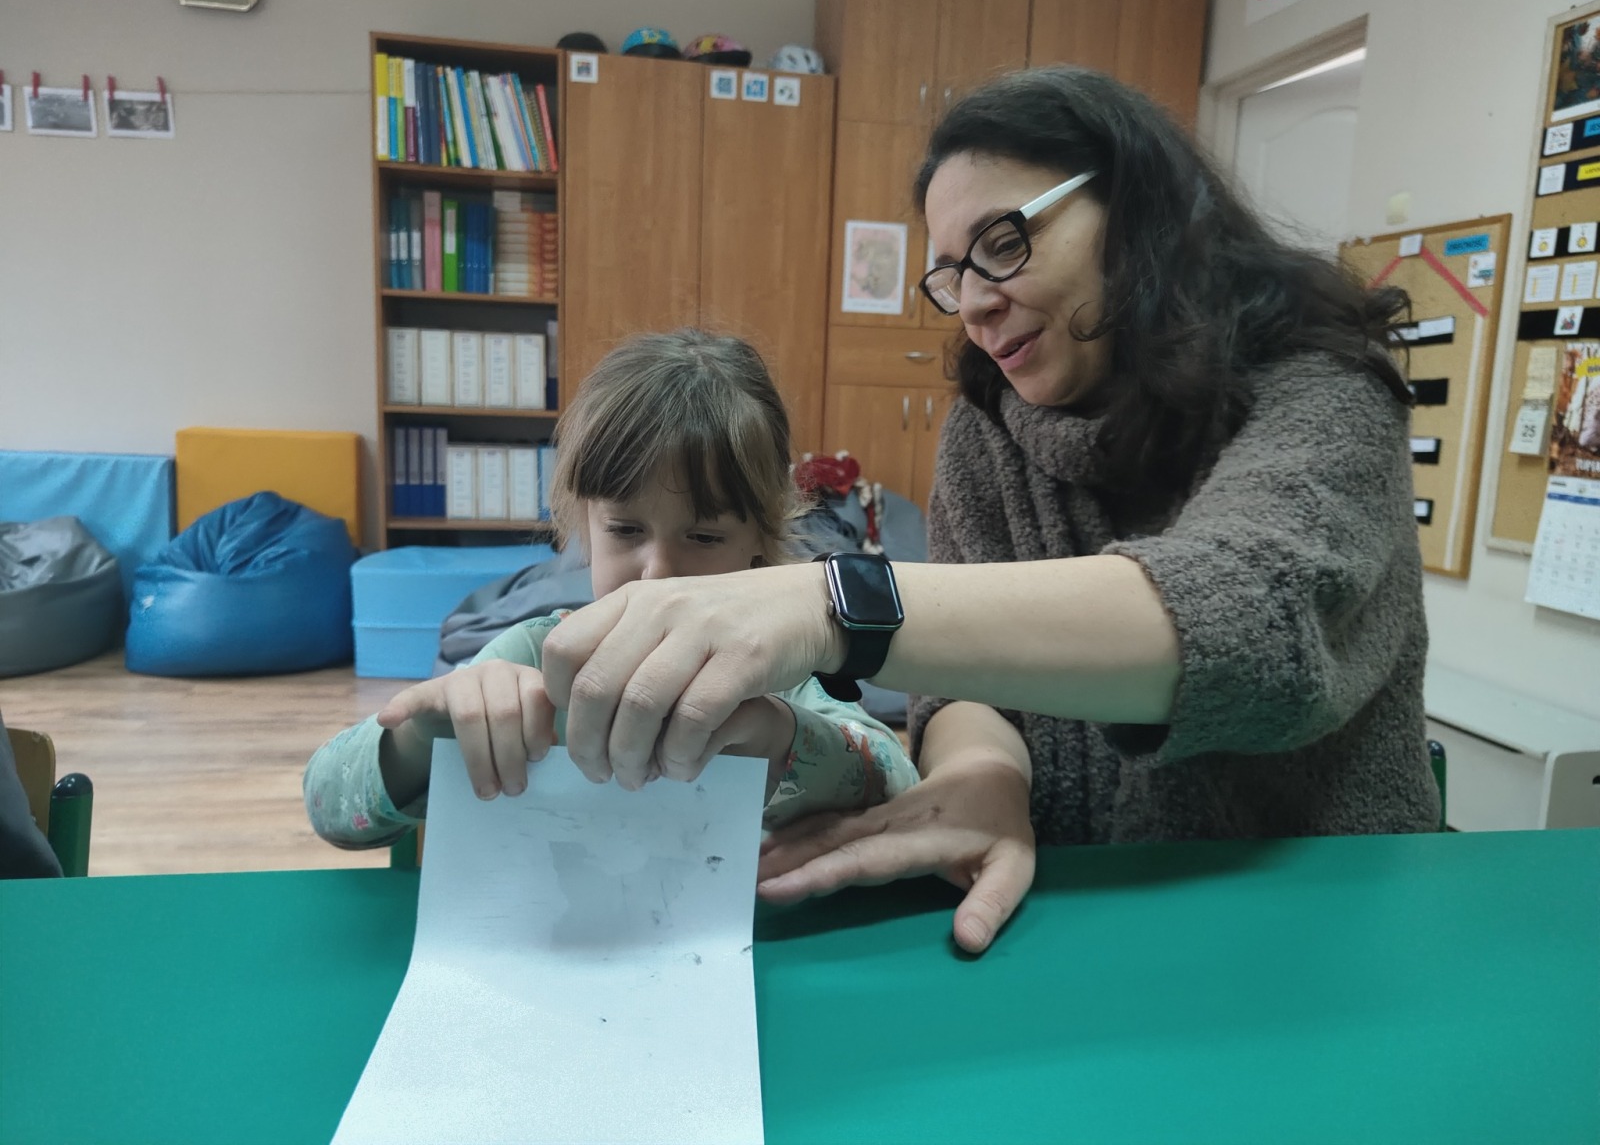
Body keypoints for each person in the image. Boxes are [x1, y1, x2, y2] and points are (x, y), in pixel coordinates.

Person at [533, 66, 1440, 954]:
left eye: (1003, 244)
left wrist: (832, 604)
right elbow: (963, 685)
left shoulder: (1324, 388)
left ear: (1136, 208)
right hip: (1064, 919)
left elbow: (1251, 622)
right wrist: (981, 774)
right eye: (951, 274)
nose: (972, 303)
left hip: (1320, 921)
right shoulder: (990, 429)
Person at [304, 330, 917, 848]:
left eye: (704, 537)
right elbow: (331, 808)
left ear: (762, 535)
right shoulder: (534, 657)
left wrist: (780, 738)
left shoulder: (782, 672)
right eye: (625, 530)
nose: (658, 576)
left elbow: (900, 786)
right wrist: (423, 736)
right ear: (585, 525)